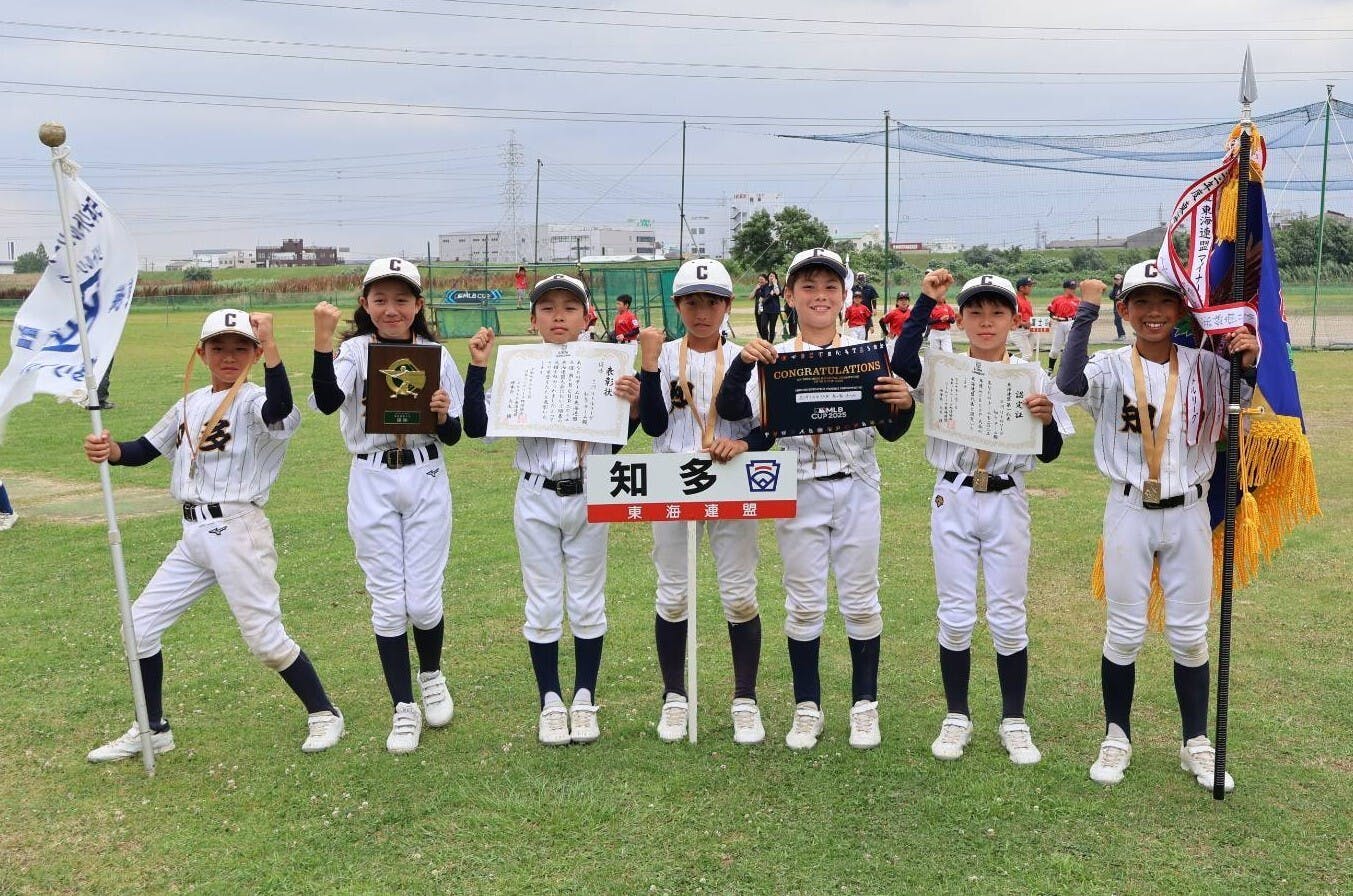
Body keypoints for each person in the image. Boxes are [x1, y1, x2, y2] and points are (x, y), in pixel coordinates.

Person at [83, 309, 344, 762]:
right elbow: (144, 450)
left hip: (238, 528)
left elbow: (280, 410)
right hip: (193, 534)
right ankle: (153, 728)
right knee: (138, 627)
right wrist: (111, 449)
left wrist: (272, 347)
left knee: (265, 640)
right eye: (218, 347)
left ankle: (324, 712)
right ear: (201, 353)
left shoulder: (256, 400)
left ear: (255, 354)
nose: (228, 356)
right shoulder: (189, 402)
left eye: (241, 348)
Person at [1055, 261, 1257, 792]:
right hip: (1128, 510)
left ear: (1181, 309)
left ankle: (1197, 743)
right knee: (1124, 632)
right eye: (1141, 301)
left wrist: (1250, 362)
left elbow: (1242, 399)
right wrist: (1086, 309)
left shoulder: (1206, 366)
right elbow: (1069, 384)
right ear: (1125, 309)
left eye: (1164, 301)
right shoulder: (1109, 366)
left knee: (1190, 635)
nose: (1153, 312)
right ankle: (1116, 737)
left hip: (1189, 509)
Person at [717, 247, 916, 751]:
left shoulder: (866, 352)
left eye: (830, 287)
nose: (820, 295)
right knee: (804, 602)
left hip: (857, 483)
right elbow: (746, 415)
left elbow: (891, 430)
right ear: (789, 295)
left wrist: (905, 404)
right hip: (799, 485)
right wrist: (742, 369)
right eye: (808, 286)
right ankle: (807, 707)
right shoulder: (776, 356)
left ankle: (864, 706)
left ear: (845, 295)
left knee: (861, 598)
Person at [892, 271, 1070, 765]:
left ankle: (1014, 719)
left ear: (1015, 319)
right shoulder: (945, 368)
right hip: (954, 493)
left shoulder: (1031, 376)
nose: (986, 322)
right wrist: (926, 302)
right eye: (975, 312)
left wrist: (1046, 419)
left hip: (1006, 497)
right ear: (961, 319)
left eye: (997, 312)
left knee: (1009, 615)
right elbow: (902, 363)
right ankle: (957, 715)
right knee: (955, 614)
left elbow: (1051, 452)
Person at [462, 274, 642, 746]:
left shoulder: (607, 366)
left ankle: (584, 698)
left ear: (587, 316)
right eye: (547, 308)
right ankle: (550, 700)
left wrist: (633, 406)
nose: (558, 316)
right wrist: (477, 368)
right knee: (542, 602)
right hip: (537, 493)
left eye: (569, 307)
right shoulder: (520, 366)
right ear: (533, 318)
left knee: (587, 600)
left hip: (590, 491)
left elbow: (617, 440)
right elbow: (476, 427)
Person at [310, 257, 465, 755]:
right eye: (380, 299)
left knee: (423, 600)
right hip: (372, 473)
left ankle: (432, 675)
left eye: (402, 299)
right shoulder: (355, 350)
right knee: (388, 601)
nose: (391, 309)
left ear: (418, 305)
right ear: (365, 303)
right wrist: (322, 341)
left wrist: (441, 415)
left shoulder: (435, 355)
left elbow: (455, 434)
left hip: (425, 472)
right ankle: (403, 705)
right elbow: (327, 401)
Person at [637, 258, 771, 745]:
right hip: (672, 478)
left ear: (727, 305)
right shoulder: (661, 355)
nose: (702, 312)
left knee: (739, 594)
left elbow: (766, 428)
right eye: (692, 303)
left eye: (712, 302)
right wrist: (648, 363)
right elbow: (653, 424)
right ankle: (675, 698)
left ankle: (745, 700)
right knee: (673, 594)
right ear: (678, 306)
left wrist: (744, 444)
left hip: (730, 479)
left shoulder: (745, 356)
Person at [1046, 279, 1080, 374]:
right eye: (1071, 288)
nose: (1073, 290)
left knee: (1068, 348)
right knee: (1055, 349)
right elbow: (1051, 312)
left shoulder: (1077, 300)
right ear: (1065, 289)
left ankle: (1066, 370)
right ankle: (1050, 369)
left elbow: (1080, 314)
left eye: (1074, 288)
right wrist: (1053, 317)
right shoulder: (1057, 299)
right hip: (1059, 324)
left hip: (1071, 322)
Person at [1010, 277, 1036, 359]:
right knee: (1027, 355)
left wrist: (1045, 322)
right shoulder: (1015, 299)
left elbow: (1030, 317)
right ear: (1021, 288)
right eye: (1029, 286)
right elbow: (1010, 317)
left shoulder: (1026, 300)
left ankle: (1011, 362)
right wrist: (1023, 323)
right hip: (1018, 331)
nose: (1031, 288)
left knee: (1028, 355)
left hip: (1028, 330)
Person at [758, 272, 781, 343]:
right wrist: (759, 306)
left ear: (775, 278)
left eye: (773, 276)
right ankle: (765, 341)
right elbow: (761, 298)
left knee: (772, 328)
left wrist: (775, 284)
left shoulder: (776, 286)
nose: (771, 277)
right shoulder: (765, 286)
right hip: (765, 309)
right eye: (770, 276)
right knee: (763, 326)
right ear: (768, 277)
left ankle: (770, 342)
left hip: (774, 310)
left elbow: (777, 293)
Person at [771, 272, 795, 338]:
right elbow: (782, 295)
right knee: (791, 322)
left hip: (796, 306)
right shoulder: (787, 285)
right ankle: (792, 335)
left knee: (795, 322)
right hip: (788, 306)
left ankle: (794, 335)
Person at [1109, 273, 1127, 342]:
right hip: (1117, 307)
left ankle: (1138, 333)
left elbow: (1126, 296)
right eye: (1115, 279)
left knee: (1132, 319)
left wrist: (1119, 297)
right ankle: (1121, 335)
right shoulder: (1115, 287)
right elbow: (1111, 296)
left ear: (1121, 280)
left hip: (1125, 306)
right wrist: (1115, 296)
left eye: (1117, 279)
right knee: (1117, 321)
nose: (1116, 280)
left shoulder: (1124, 287)